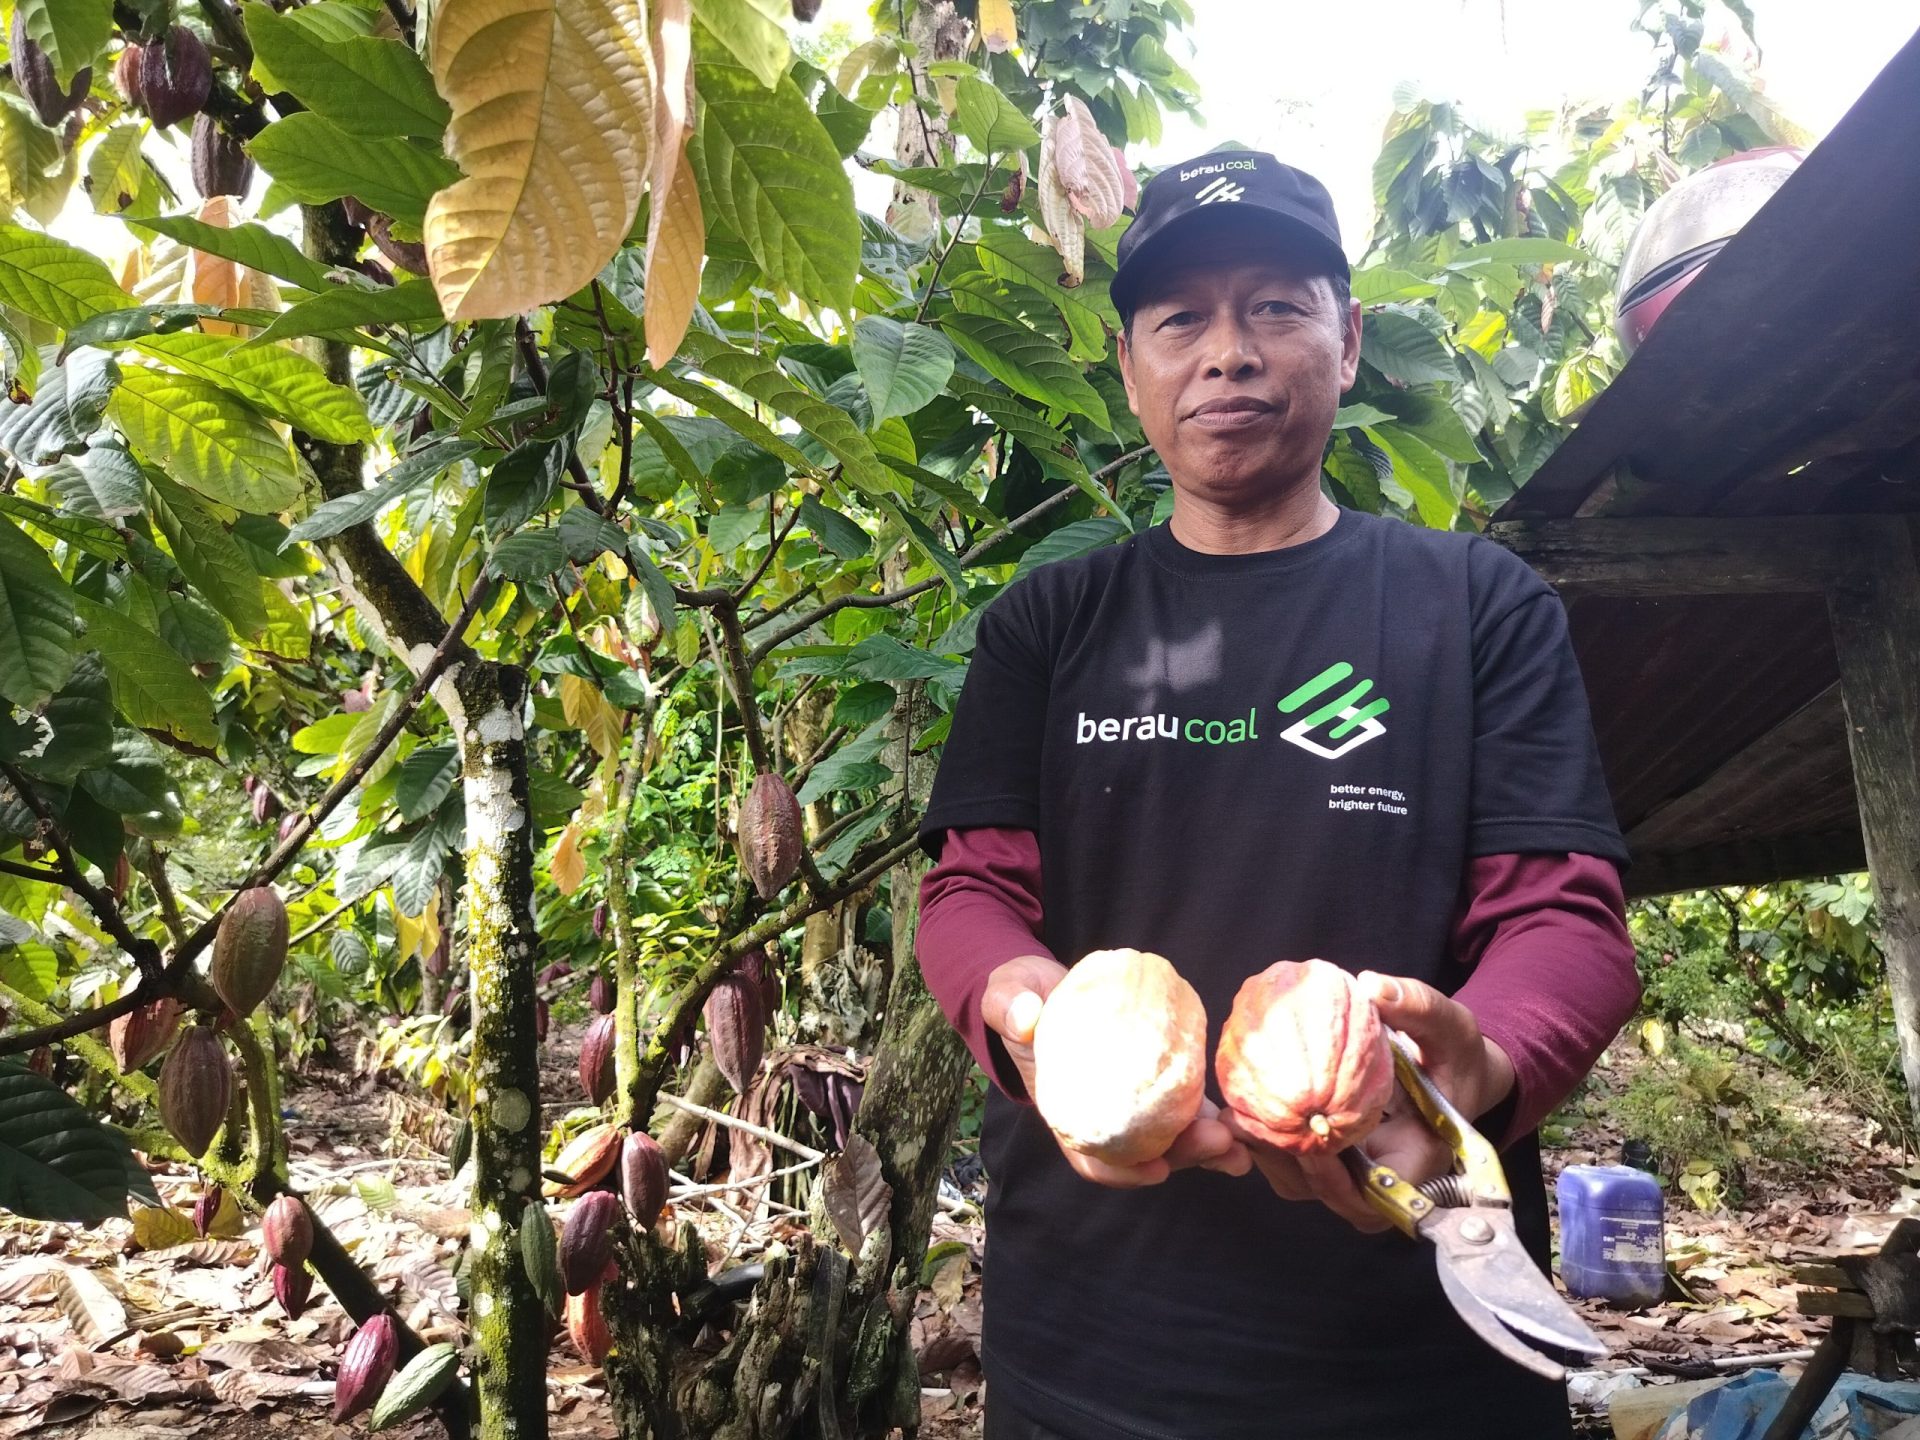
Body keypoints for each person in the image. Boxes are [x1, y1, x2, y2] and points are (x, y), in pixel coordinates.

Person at [914, 149, 1641, 1440]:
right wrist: (1020, 1011)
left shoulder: (1474, 606)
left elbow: (1564, 922)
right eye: (1181, 317)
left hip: (1421, 1349)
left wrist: (1476, 1062)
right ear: (1128, 365)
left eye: (1276, 308)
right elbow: (972, 889)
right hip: (1092, 1344)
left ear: (1349, 342)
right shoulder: (1049, 622)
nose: (1229, 352)